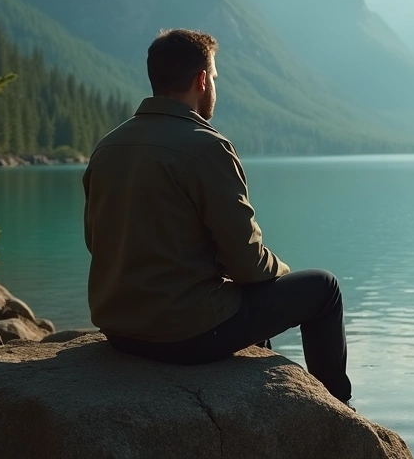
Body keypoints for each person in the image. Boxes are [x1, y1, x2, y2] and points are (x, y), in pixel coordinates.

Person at [82, 28, 352, 404]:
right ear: (202, 80)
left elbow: (96, 241)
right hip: (184, 337)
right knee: (323, 288)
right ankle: (340, 409)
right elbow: (248, 263)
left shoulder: (107, 146)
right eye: (215, 78)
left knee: (242, 295)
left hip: (119, 330)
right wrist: (281, 275)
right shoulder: (207, 147)